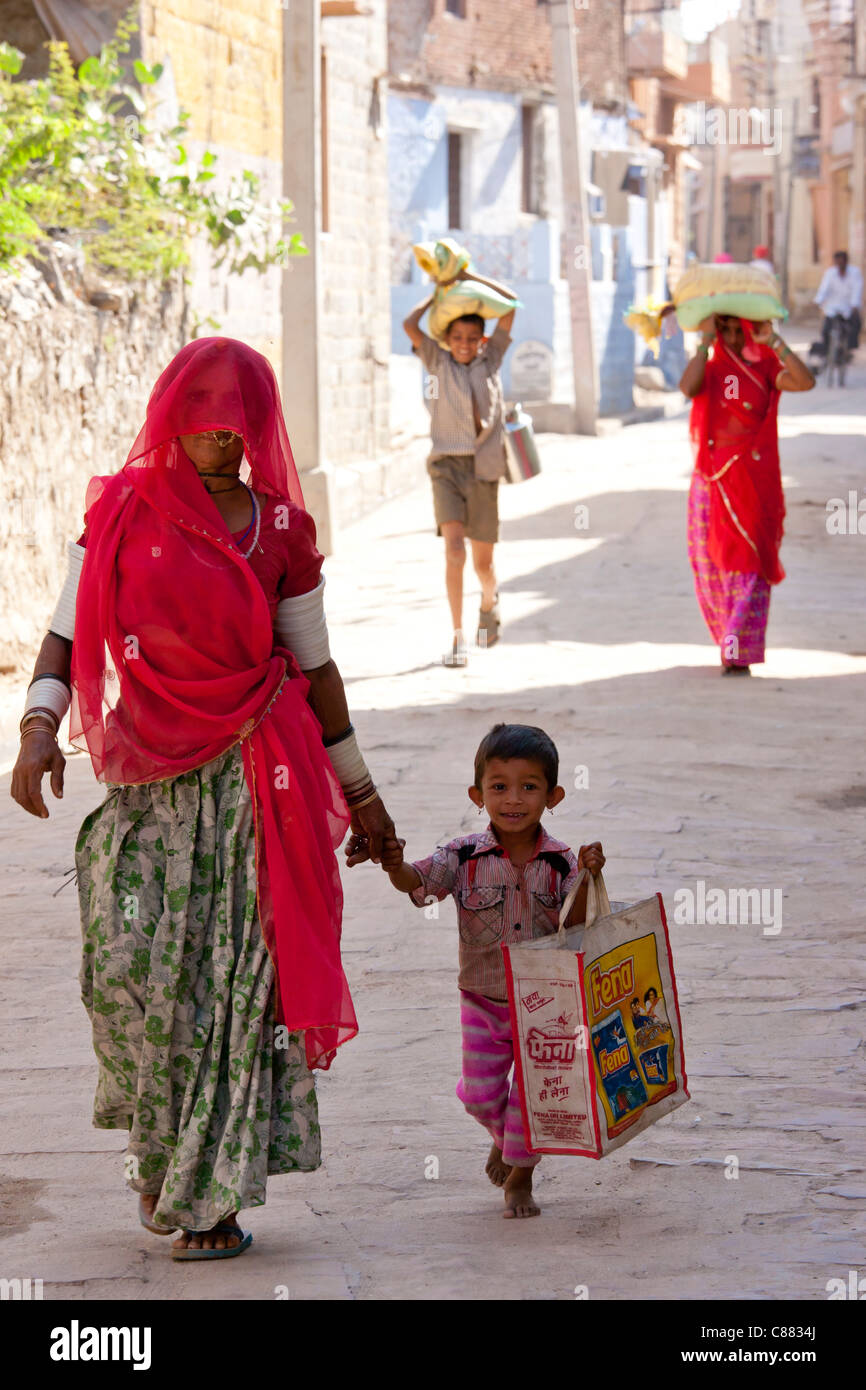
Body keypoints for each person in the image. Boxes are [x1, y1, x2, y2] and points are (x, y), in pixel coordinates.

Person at [10, 337, 396, 1260]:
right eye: (200, 420)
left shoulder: (280, 534)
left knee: (230, 991)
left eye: (234, 424)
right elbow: (63, 638)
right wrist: (34, 731)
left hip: (256, 788)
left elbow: (317, 667)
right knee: (135, 983)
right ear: (170, 417)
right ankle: (161, 1155)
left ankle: (210, 1197)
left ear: (257, 426)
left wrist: (365, 797)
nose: (217, 439)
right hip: (145, 792)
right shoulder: (117, 517)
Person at [367, 723, 604, 1219]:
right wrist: (393, 864)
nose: (513, 799)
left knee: (533, 1099)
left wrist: (590, 875)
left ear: (553, 796)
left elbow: (578, 924)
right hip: (482, 996)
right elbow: (420, 885)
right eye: (499, 787)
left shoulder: (562, 863)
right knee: (480, 1096)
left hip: (545, 1003)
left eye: (529, 786)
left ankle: (521, 1176)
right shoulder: (462, 856)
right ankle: (507, 1141)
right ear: (478, 794)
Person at [679, 315, 815, 674]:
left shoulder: (767, 367)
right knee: (719, 567)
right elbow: (687, 388)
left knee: (752, 563)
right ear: (719, 331)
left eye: (742, 331)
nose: (736, 339)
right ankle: (730, 643)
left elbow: (805, 381)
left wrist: (775, 341)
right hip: (715, 481)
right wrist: (705, 344)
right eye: (728, 331)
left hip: (755, 480)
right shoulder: (712, 368)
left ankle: (737, 650)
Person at [402, 268, 516, 668]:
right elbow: (409, 324)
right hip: (445, 466)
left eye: (471, 338)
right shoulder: (436, 360)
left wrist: (470, 275)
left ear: (482, 340)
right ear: (446, 339)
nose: (464, 345)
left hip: (483, 469)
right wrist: (439, 293)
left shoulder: (492, 359)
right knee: (454, 551)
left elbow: (510, 305)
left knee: (483, 565)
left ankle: (489, 601)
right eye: (457, 338)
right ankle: (458, 638)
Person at [815, 250, 863, 351]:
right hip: (833, 307)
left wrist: (855, 305)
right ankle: (827, 352)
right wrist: (818, 301)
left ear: (846, 261)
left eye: (842, 262)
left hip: (848, 307)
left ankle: (849, 350)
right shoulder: (830, 273)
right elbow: (824, 289)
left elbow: (857, 290)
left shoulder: (855, 273)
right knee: (825, 330)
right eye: (838, 262)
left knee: (855, 325)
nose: (840, 264)